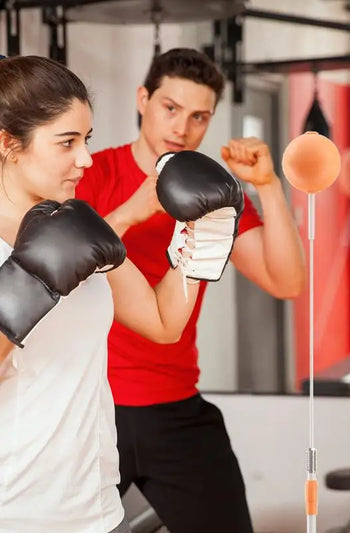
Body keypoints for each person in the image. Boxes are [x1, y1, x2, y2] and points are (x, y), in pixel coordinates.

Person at [0, 55, 241, 532]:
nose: (85, 159)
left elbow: (162, 321)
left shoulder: (78, 226)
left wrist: (197, 246)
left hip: (93, 504)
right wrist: (32, 279)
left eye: (86, 140)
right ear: (9, 144)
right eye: (67, 142)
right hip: (16, 508)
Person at [75, 48, 306, 532]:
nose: (182, 128)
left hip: (175, 407)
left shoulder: (210, 192)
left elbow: (286, 282)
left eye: (199, 116)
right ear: (144, 99)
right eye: (170, 108)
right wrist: (134, 210)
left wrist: (266, 186)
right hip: (90, 410)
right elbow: (61, 265)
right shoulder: (92, 174)